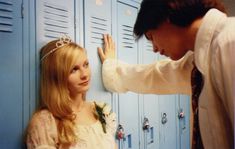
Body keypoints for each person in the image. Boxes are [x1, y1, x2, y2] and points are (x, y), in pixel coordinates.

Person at [97, 0, 235, 148]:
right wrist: (111, 68)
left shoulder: (228, 43)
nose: (154, 49)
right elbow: (157, 75)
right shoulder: (201, 58)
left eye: (151, 37)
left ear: (164, 17)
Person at [26, 35, 117, 149]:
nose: (85, 74)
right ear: (57, 77)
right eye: (74, 69)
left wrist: (111, 65)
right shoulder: (44, 123)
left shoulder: (100, 111)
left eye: (86, 64)